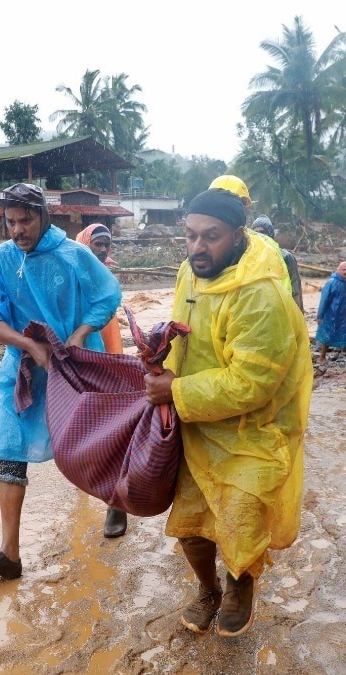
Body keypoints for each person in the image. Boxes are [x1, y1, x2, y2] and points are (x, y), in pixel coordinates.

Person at [144, 187, 310, 638]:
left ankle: (239, 587)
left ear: (238, 235)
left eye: (211, 236)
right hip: (196, 424)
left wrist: (175, 392)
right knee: (191, 522)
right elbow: (183, 333)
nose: (198, 247)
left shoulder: (262, 295)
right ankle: (207, 589)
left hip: (253, 430)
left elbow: (253, 383)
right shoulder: (188, 273)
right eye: (191, 235)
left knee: (239, 519)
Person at [0, 183, 122, 579]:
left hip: (75, 362)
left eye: (26, 220)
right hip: (24, 368)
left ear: (44, 217)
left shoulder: (73, 255)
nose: (18, 230)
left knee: (91, 439)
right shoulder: (1, 260)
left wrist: (77, 333)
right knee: (10, 443)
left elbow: (107, 295)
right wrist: (28, 346)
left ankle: (116, 499)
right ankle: (9, 553)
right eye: (11, 221)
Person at [75, 222, 129, 538]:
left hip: (107, 354)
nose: (103, 248)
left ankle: (115, 505)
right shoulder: (72, 272)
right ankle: (88, 491)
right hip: (79, 357)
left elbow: (110, 322)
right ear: (85, 243)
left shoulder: (107, 275)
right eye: (98, 242)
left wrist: (117, 363)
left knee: (109, 433)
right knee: (82, 432)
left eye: (107, 243)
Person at [251, 215, 304, 312]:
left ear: (270, 234)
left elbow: (295, 288)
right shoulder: (249, 258)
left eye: (262, 232)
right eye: (255, 233)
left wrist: (298, 315)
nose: (259, 236)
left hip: (281, 309)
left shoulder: (285, 257)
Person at [315, 261, 346, 364]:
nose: (345, 272)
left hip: (343, 316)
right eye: (343, 269)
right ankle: (322, 357)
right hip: (331, 315)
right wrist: (320, 315)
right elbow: (324, 300)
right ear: (338, 270)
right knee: (327, 336)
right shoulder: (331, 282)